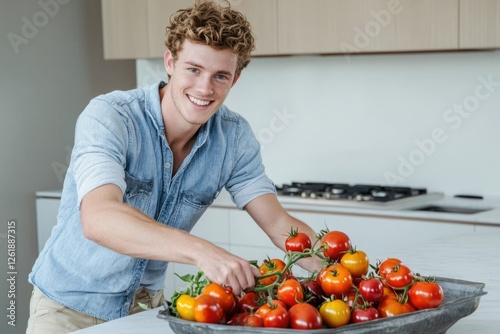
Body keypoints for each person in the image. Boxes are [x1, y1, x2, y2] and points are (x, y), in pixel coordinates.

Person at [26, 0, 321, 333]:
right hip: (67, 308)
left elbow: (280, 224)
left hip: (144, 310)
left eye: (220, 76)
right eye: (193, 69)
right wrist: (203, 253)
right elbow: (99, 217)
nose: (204, 88)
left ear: (235, 80)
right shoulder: (111, 116)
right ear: (170, 62)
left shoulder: (234, 138)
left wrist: (344, 270)